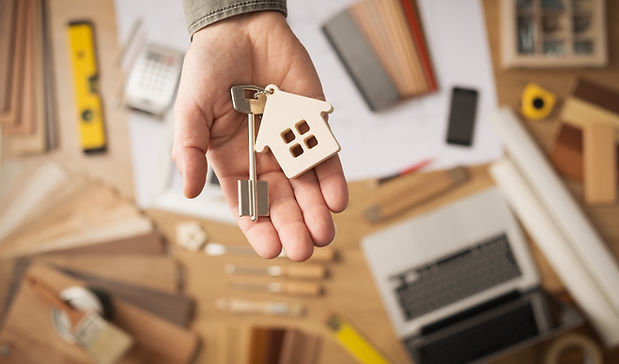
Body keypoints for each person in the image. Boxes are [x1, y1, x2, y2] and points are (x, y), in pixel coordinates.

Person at [174, 0, 348, 261]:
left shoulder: (279, 108)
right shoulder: (267, 116)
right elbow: (263, 143)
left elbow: (265, 141)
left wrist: (228, 16)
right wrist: (229, 18)